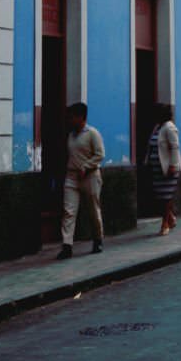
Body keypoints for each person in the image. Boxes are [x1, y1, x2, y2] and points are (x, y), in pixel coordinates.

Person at [56, 102, 105, 260]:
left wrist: (86, 166)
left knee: (93, 210)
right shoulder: (71, 135)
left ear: (81, 117)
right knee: (68, 211)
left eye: (73, 117)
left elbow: (100, 154)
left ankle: (97, 239)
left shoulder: (92, 133)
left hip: (90, 176)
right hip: (72, 176)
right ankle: (67, 245)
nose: (70, 120)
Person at [145, 103, 181, 235]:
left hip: (168, 168)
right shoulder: (157, 128)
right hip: (157, 169)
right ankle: (170, 217)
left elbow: (174, 147)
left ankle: (165, 223)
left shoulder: (170, 128)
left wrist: (173, 165)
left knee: (166, 197)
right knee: (161, 196)